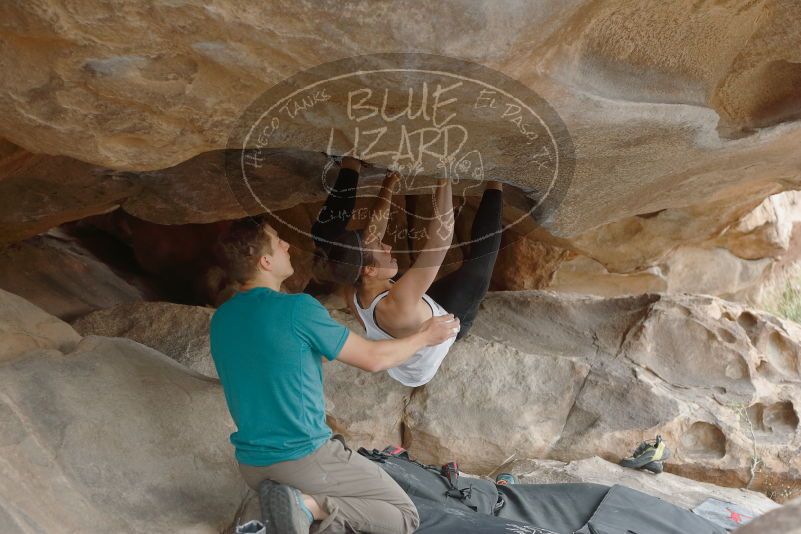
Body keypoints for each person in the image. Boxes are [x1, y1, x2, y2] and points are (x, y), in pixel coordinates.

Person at [209, 214, 459, 534]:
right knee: (403, 515)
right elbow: (372, 359)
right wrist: (424, 336)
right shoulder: (297, 308)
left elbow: (276, 358)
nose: (288, 244)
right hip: (304, 457)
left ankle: (279, 510)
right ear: (266, 261)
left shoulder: (224, 317)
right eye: (278, 241)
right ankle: (306, 505)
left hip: (253, 465)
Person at [313, 156, 503, 387]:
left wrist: (389, 183)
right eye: (381, 249)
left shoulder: (353, 285)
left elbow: (373, 232)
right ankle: (496, 182)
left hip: (413, 316)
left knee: (331, 240)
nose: (388, 246)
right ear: (370, 270)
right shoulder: (398, 300)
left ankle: (350, 167)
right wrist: (443, 178)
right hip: (444, 327)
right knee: (477, 273)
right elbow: (439, 243)